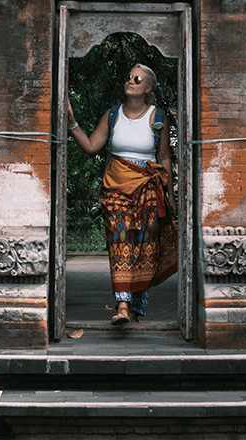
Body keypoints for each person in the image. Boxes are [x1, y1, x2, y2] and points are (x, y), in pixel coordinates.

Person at [67, 63, 177, 325]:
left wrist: (170, 197)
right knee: (120, 243)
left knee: (143, 248)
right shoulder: (113, 115)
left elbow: (164, 158)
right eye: (128, 77)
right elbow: (92, 147)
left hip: (148, 191)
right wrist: (71, 123)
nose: (130, 81)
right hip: (115, 189)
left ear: (148, 87)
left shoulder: (158, 117)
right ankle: (123, 305)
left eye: (137, 79)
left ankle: (137, 309)